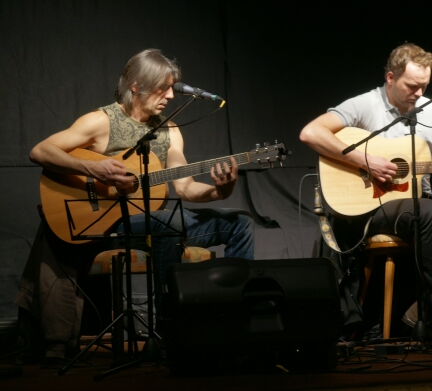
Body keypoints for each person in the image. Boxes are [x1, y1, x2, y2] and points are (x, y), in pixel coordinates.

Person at [15, 48, 254, 362]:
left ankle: (236, 324)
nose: (171, 96)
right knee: (170, 223)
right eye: (163, 88)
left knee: (240, 223)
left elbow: (186, 187)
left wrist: (219, 192)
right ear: (136, 86)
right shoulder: (101, 121)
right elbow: (40, 151)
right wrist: (94, 168)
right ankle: (168, 330)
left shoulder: (170, 131)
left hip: (149, 221)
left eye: (173, 88)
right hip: (107, 224)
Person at [299, 43, 432, 341]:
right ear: (390, 78)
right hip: (375, 206)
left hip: (422, 203)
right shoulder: (365, 104)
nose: (419, 93)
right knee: (428, 211)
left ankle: (423, 306)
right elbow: (310, 133)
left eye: (424, 86)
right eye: (412, 86)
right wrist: (365, 161)